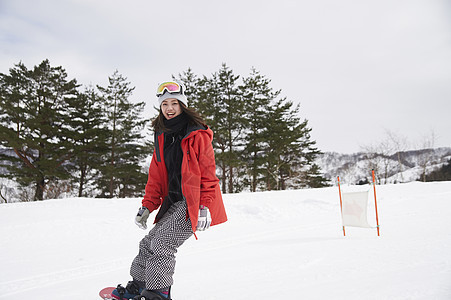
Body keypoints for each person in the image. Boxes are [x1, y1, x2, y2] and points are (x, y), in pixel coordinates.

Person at [111, 81, 227, 300]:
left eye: (175, 103)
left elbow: (208, 174)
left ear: (183, 105)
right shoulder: (162, 135)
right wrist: (147, 206)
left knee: (163, 241)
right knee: (148, 242)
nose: (170, 108)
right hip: (174, 201)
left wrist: (204, 206)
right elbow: (156, 176)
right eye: (165, 104)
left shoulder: (198, 135)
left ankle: (158, 294)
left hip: (193, 203)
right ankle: (138, 286)